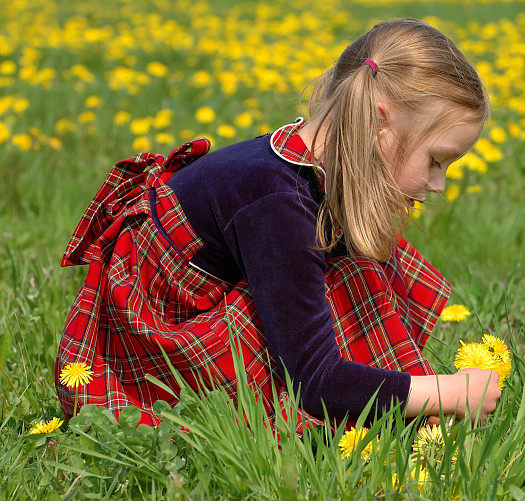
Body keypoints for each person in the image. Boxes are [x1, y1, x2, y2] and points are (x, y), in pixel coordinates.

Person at [55, 18, 501, 438]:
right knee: (351, 277)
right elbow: (316, 382)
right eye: (436, 161)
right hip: (151, 354)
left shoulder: (303, 161)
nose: (437, 184)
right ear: (381, 123)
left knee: (365, 255)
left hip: (193, 311)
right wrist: (448, 393)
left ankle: (387, 401)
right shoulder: (277, 205)